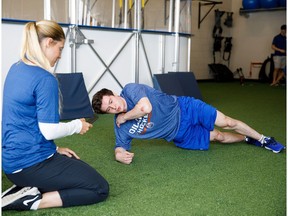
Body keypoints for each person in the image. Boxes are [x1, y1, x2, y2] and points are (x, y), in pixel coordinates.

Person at [2, 20, 109, 211]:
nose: (60, 56)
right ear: (48, 43)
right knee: (99, 188)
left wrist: (55, 149)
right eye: (60, 48)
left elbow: (23, 121)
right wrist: (77, 125)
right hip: (30, 165)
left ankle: (25, 189)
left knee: (74, 163)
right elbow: (49, 130)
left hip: (12, 163)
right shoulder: (44, 79)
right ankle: (30, 200)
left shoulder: (16, 68)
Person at [92, 83, 285, 165]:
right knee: (218, 136)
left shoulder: (130, 90)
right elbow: (119, 145)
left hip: (185, 108)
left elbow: (145, 108)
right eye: (108, 110)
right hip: (180, 134)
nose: (113, 108)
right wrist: (119, 156)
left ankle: (263, 139)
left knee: (226, 122)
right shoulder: (120, 126)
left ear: (114, 94)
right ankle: (247, 138)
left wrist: (125, 117)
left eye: (111, 102)